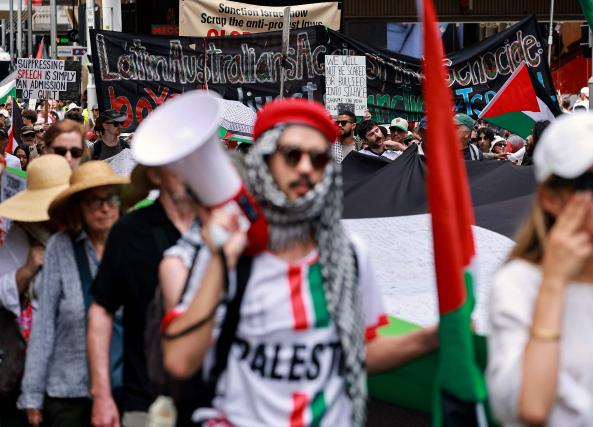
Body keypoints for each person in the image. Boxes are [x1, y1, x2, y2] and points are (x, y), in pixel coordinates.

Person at [161, 98, 438, 427]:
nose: (306, 167)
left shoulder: (349, 252)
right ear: (265, 161)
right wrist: (221, 261)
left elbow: (359, 352)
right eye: (292, 155)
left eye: (318, 158)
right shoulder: (228, 248)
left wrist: (433, 336)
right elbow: (180, 362)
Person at [488, 112, 593, 426]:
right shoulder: (519, 285)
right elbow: (529, 407)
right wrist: (555, 282)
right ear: (551, 198)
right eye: (591, 183)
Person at [17, 161, 129, 427]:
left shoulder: (131, 244)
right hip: (68, 391)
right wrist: (32, 394)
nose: (104, 207)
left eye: (110, 198)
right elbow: (44, 325)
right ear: (78, 207)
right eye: (93, 201)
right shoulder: (61, 248)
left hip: (124, 388)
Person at [88, 165, 195, 427]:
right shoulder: (129, 231)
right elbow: (101, 310)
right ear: (156, 175)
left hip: (214, 403)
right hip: (146, 401)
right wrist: (102, 395)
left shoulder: (218, 224)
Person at [0, 155, 72, 427]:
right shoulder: (14, 233)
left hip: (70, 362)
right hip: (23, 361)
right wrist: (27, 269)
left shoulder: (81, 231)